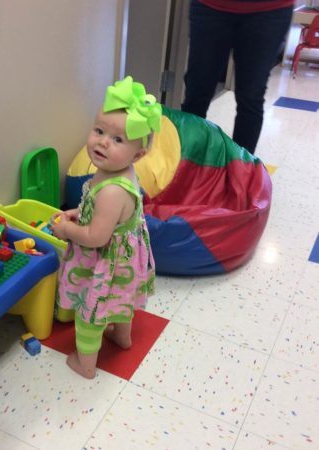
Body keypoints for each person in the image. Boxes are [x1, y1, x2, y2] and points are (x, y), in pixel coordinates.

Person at [51, 76, 159, 379]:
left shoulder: (112, 190)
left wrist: (67, 230)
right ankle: (122, 337)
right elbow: (101, 213)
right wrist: (77, 211)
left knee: (91, 313)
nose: (102, 142)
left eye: (118, 140)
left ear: (138, 155)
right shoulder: (118, 172)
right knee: (121, 302)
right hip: (124, 263)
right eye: (99, 131)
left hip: (104, 263)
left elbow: (97, 236)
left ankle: (85, 365)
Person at [181, 0, 294, 154]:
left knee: (250, 97)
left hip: (269, 10)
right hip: (211, 6)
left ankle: (241, 171)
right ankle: (186, 161)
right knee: (196, 92)